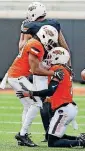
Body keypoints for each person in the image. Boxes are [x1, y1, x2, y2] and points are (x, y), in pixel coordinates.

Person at [19, 1, 71, 142]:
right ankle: (51, 133)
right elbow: (63, 45)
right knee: (52, 98)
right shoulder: (54, 23)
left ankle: (48, 133)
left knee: (43, 100)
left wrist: (23, 31)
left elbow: (22, 48)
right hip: (54, 64)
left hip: (39, 66)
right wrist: (68, 65)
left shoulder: (29, 25)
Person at [17, 47, 85, 148]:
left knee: (52, 143)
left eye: (52, 56)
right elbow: (57, 92)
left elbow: (50, 91)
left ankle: (81, 143)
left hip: (64, 110)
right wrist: (47, 99)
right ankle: (79, 139)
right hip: (67, 108)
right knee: (54, 136)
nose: (49, 59)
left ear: (58, 58)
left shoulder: (58, 69)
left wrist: (30, 93)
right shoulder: (65, 69)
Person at [7, 25, 62, 147]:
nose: (51, 44)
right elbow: (35, 70)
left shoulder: (35, 42)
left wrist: (49, 69)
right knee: (37, 103)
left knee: (28, 105)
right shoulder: (35, 45)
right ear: (44, 36)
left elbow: (36, 67)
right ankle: (22, 134)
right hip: (18, 77)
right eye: (50, 40)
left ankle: (23, 135)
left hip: (17, 76)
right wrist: (54, 73)